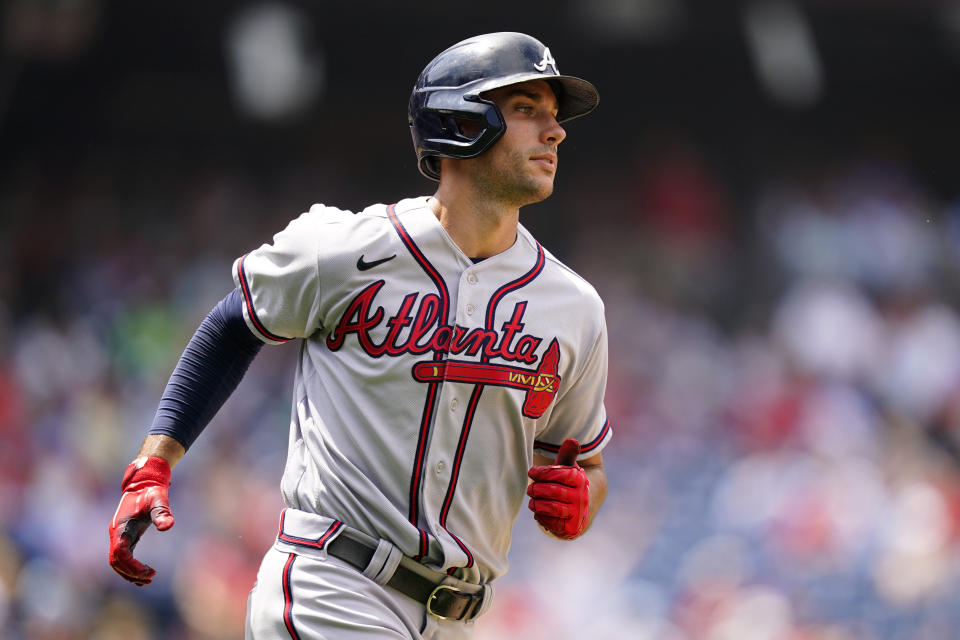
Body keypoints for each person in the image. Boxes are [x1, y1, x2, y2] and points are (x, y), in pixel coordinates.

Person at [108, 31, 612, 639]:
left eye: (554, 117)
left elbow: (583, 461)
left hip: (459, 617)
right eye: (527, 109)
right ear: (459, 121)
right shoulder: (342, 249)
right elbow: (231, 327)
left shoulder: (573, 308)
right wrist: (153, 464)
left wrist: (583, 502)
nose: (554, 132)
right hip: (335, 585)